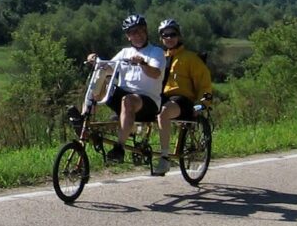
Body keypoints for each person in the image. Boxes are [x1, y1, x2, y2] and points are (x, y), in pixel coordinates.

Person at [87, 13, 165, 163]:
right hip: (125, 99)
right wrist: (95, 61)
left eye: (141, 30)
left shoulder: (156, 52)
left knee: (128, 100)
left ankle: (119, 149)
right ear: (128, 36)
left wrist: (143, 63)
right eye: (133, 32)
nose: (138, 35)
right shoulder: (125, 53)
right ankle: (86, 117)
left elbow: (155, 74)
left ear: (146, 31)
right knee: (100, 75)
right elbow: (108, 68)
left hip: (148, 102)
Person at [154, 18, 213, 176]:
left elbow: (205, 85)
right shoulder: (160, 58)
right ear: (161, 38)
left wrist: (201, 105)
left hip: (183, 100)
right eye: (165, 35)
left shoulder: (190, 58)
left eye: (172, 34)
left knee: (163, 113)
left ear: (179, 36)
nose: (169, 38)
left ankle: (165, 158)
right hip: (163, 98)